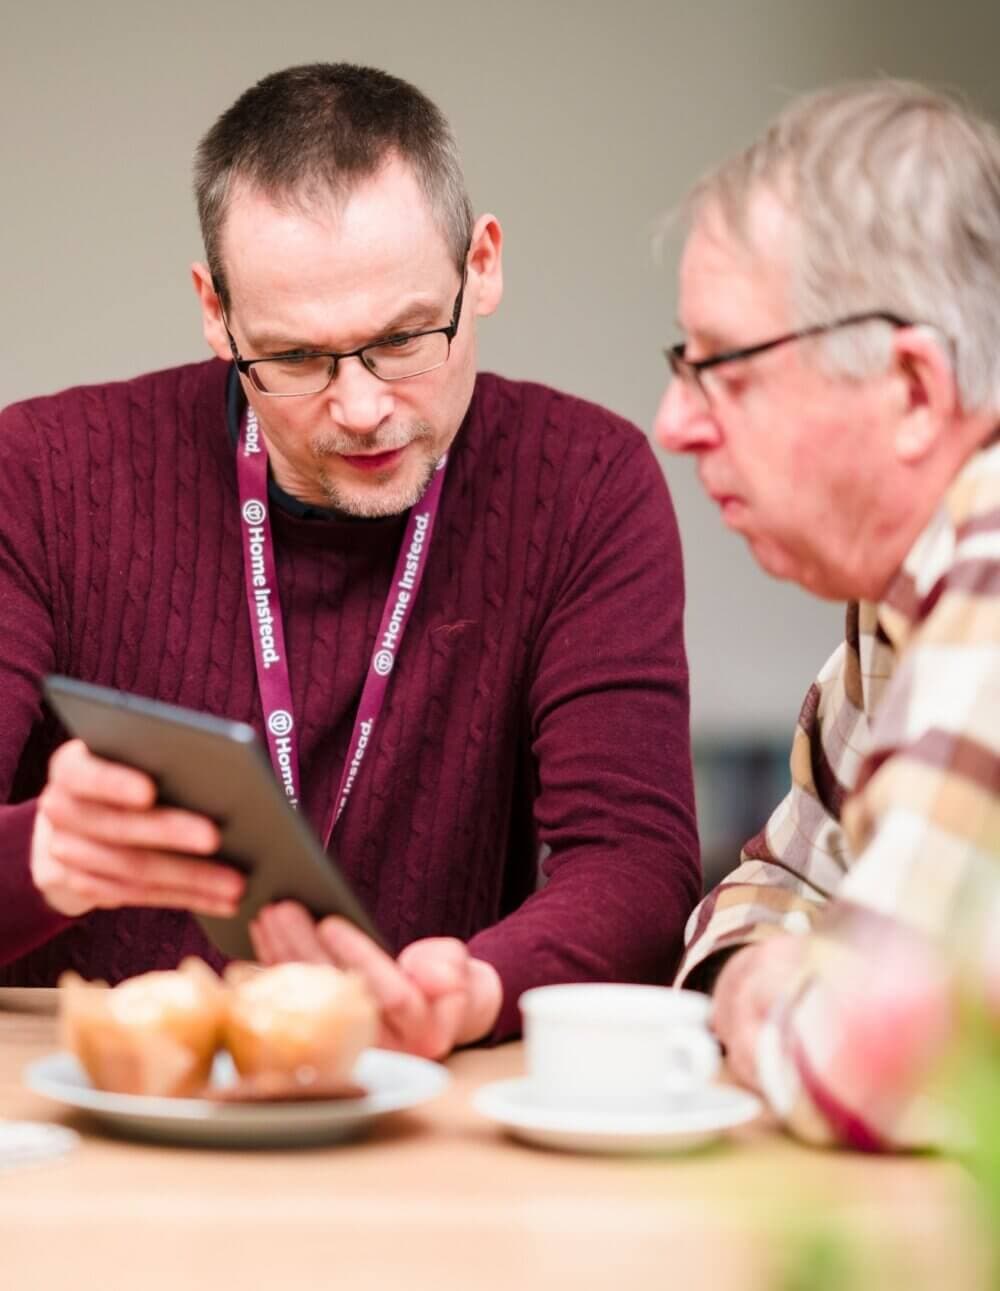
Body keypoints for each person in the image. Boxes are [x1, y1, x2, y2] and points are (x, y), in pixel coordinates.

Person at [0, 63, 700, 1058]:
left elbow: (634, 863)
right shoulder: (42, 473)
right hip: (96, 1094)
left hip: (421, 1098)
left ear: (484, 263)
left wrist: (475, 988)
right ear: (215, 312)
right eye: (294, 360)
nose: (363, 407)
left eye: (405, 338)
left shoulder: (584, 480)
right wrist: (47, 859)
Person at [656, 79, 1000, 1149]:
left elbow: (852, 1065)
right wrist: (775, 967)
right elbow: (765, 885)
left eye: (723, 369)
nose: (672, 422)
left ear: (908, 389)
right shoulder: (891, 602)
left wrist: (782, 993)